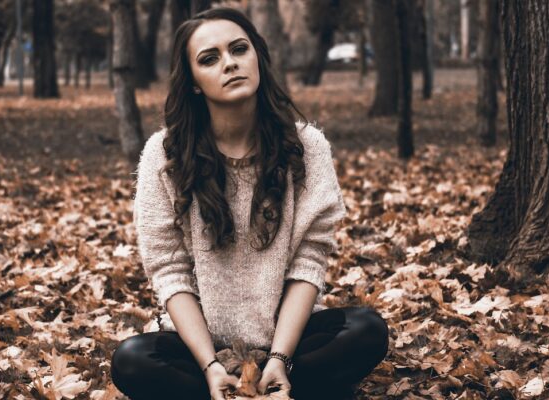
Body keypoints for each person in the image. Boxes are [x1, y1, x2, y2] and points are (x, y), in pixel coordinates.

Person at [110, 7, 388, 400]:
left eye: (239, 49)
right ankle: (238, 390)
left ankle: (276, 383)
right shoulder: (164, 156)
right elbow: (170, 274)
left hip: (291, 342)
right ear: (192, 82)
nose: (229, 64)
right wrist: (209, 366)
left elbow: (309, 263)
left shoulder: (307, 147)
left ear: (257, 56)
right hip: (200, 349)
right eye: (210, 58)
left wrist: (279, 358)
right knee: (131, 360)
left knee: (368, 331)